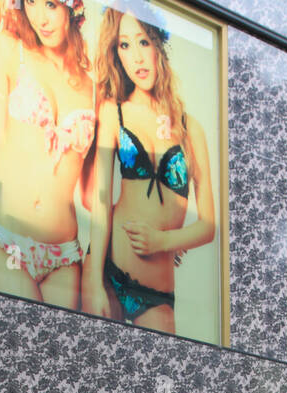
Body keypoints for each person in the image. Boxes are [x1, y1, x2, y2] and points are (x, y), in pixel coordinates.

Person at [84, 3, 216, 333]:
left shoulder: (191, 129)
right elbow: (101, 203)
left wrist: (161, 240)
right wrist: (91, 280)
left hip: (158, 292)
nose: (137, 58)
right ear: (116, 53)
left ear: (158, 45)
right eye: (124, 45)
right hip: (109, 271)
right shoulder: (113, 113)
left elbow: (209, 226)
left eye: (143, 42)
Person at [0, 0, 95, 307]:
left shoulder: (94, 86)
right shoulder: (11, 49)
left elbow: (92, 192)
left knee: (62, 354)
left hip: (64, 256)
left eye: (51, 4)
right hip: (4, 236)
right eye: (31, 2)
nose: (41, 19)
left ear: (73, 8)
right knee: (25, 345)